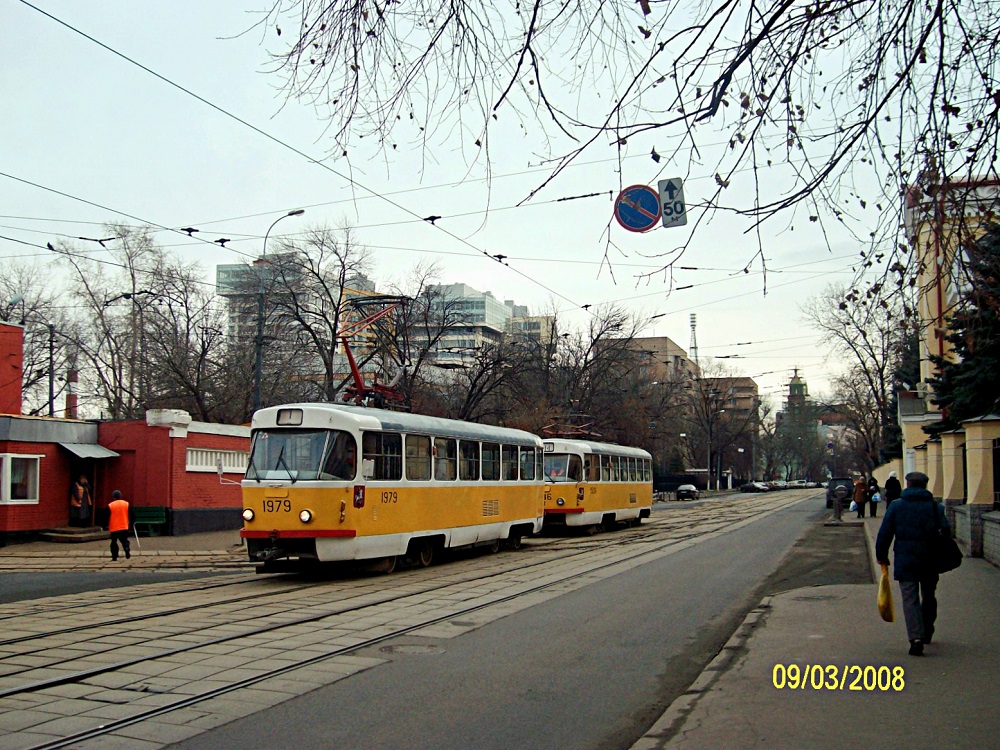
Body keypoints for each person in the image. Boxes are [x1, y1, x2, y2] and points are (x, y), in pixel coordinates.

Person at [875, 471, 949, 656]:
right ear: (925, 486)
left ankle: (915, 638)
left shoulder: (896, 506)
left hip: (905, 559)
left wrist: (882, 556)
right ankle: (927, 630)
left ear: (907, 484)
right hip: (930, 559)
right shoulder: (935, 507)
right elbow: (946, 531)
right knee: (929, 595)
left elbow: (885, 533)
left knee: (910, 599)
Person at [108, 490, 131, 561]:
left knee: (114, 542)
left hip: (114, 526)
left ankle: (114, 556)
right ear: (120, 496)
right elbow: (131, 514)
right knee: (124, 540)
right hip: (124, 525)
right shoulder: (126, 504)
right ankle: (126, 548)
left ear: (113, 497)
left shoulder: (111, 505)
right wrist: (131, 522)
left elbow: (107, 516)